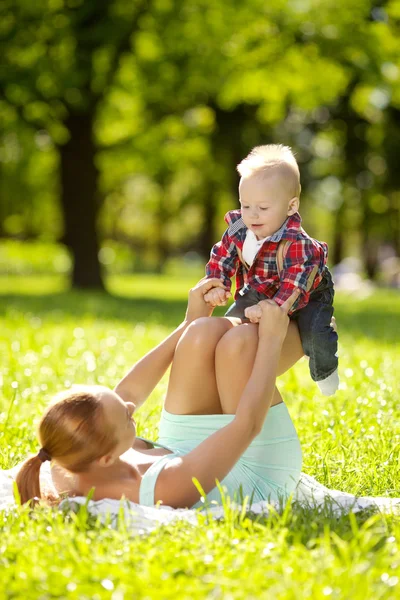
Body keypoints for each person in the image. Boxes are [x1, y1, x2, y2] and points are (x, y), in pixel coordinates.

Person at [15, 278, 303, 509]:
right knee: (239, 345)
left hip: (185, 449)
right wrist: (272, 340)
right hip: (254, 469)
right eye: (126, 417)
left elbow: (126, 392)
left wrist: (188, 321)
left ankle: (279, 328)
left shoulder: (74, 452)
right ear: (106, 458)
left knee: (200, 332)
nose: (130, 405)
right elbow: (248, 424)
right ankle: (315, 334)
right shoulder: (165, 487)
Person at [204, 144, 339, 396]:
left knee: (313, 334)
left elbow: (294, 287)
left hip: (306, 294)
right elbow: (223, 253)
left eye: (263, 208)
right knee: (230, 325)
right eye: (246, 205)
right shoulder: (240, 228)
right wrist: (217, 282)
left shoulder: (299, 244)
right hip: (262, 286)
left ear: (291, 206)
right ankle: (231, 366)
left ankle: (325, 368)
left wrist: (270, 309)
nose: (252, 215)